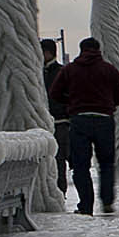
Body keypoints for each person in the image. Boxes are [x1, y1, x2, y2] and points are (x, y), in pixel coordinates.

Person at [49, 36, 119, 216]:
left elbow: (54, 93)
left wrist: (72, 103)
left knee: (80, 165)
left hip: (79, 119)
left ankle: (85, 205)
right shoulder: (109, 70)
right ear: (98, 49)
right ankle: (107, 201)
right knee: (107, 163)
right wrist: (108, 102)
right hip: (104, 120)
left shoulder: (70, 69)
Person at [42, 38, 69, 194]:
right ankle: (54, 190)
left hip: (59, 121)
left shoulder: (60, 72)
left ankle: (60, 190)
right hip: (51, 120)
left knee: (59, 158)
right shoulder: (42, 71)